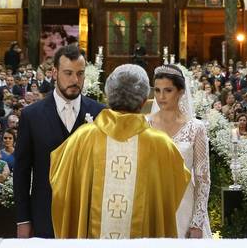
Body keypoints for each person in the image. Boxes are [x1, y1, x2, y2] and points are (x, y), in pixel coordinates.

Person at [50, 64, 190, 239]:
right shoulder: (161, 145)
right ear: (143, 100)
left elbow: (60, 182)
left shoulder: (81, 139)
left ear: (108, 96)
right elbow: (174, 188)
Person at [15, 45, 105, 238]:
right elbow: (22, 172)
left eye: (80, 74)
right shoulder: (31, 116)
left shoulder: (101, 114)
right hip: (45, 215)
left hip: (88, 217)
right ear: (54, 72)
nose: (75, 80)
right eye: (68, 73)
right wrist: (23, 219)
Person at [148, 64, 211, 238]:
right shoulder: (146, 125)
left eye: (168, 90)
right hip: (154, 204)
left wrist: (197, 222)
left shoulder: (196, 128)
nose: (161, 97)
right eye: (157, 91)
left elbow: (203, 178)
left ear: (181, 91)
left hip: (185, 206)